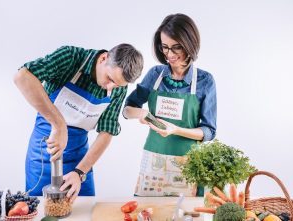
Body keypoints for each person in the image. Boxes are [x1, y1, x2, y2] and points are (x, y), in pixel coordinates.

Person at [14, 44, 143, 201]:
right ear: (104, 58)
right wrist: (59, 125)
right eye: (110, 78)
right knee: (41, 211)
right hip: (43, 156)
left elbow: (107, 131)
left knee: (84, 211)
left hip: (79, 160)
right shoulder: (71, 57)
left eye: (117, 84)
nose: (111, 86)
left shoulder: (117, 87)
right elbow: (22, 77)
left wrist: (80, 172)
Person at [123, 14, 217, 196]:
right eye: (165, 47)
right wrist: (140, 114)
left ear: (190, 44)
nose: (170, 54)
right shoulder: (155, 75)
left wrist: (175, 130)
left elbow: (209, 131)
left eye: (176, 48)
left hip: (187, 163)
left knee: (184, 213)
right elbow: (127, 110)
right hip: (153, 160)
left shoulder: (205, 81)